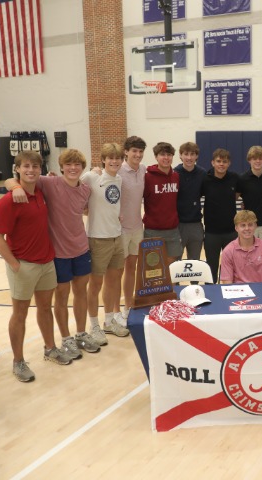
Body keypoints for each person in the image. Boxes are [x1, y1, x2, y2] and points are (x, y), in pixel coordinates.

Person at [5, 149, 100, 359]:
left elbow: (85, 209)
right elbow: (13, 179)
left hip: (81, 249)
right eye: (68, 164)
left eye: (77, 164)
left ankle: (81, 334)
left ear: (82, 168)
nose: (73, 168)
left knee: (81, 293)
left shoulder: (86, 190)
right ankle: (66, 339)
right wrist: (15, 187)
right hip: (58, 253)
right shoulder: (49, 183)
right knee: (62, 297)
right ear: (61, 167)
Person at [0, 151, 72, 382]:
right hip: (23, 265)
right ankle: (18, 362)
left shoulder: (40, 193)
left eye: (35, 166)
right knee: (20, 314)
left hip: (46, 262)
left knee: (45, 308)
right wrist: (14, 265)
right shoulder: (8, 200)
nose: (31, 170)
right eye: (26, 166)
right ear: (17, 169)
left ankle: (50, 348)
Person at [81, 143, 129, 345]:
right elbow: (71, 187)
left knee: (114, 281)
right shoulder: (91, 177)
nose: (114, 161)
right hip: (98, 238)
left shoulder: (119, 179)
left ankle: (109, 321)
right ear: (103, 160)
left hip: (117, 236)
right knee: (95, 284)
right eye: (110, 158)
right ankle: (94, 325)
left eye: (118, 158)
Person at [118, 136, 146, 325]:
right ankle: (114, 313)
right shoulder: (117, 170)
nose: (137, 154)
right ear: (126, 152)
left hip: (137, 227)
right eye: (134, 151)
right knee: (116, 272)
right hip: (120, 229)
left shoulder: (144, 170)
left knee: (131, 268)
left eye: (140, 151)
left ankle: (128, 306)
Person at [201, 148, 239, 282]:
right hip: (211, 233)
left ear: (229, 163)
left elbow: (237, 195)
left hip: (231, 232)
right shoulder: (205, 179)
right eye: (218, 161)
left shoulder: (234, 178)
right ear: (213, 162)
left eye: (224, 161)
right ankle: (211, 292)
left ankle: (229, 291)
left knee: (230, 267)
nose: (221, 164)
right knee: (211, 267)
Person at [143, 142, 182, 265]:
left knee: (171, 267)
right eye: (162, 154)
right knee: (154, 268)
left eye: (169, 155)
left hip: (172, 230)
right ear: (156, 156)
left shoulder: (176, 176)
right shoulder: (147, 177)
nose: (166, 158)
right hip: (152, 231)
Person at [220, 210, 262, 284]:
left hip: (260, 289)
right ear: (236, 228)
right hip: (238, 290)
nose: (247, 228)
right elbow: (227, 284)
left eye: (250, 225)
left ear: (255, 226)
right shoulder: (228, 251)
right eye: (243, 225)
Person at [237, 146, 262, 248]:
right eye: (254, 158)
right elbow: (235, 197)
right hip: (248, 224)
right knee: (248, 254)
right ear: (249, 160)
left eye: (260, 158)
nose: (258, 161)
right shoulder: (242, 178)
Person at [174, 141, 206, 260]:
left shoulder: (202, 173)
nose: (189, 157)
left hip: (196, 224)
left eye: (192, 154)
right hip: (178, 225)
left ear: (196, 156)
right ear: (180, 155)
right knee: (175, 262)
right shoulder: (174, 173)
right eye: (186, 154)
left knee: (194, 261)